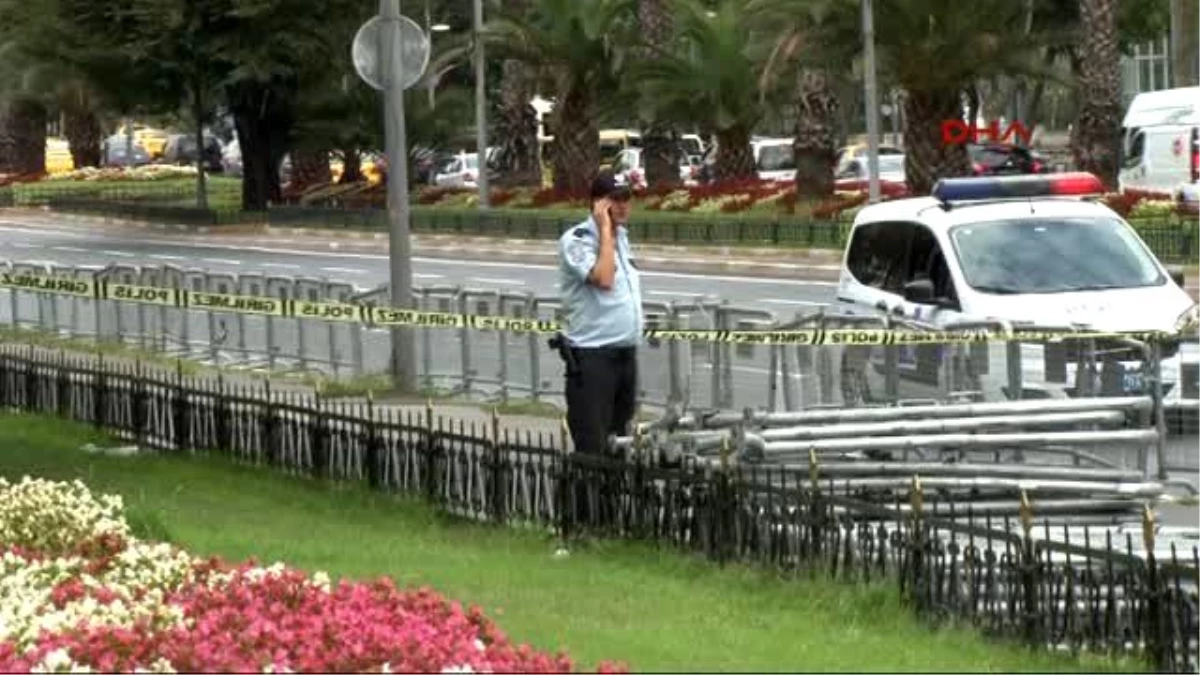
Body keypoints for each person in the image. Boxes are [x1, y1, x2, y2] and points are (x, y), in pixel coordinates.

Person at [556, 170, 644, 458]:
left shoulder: (623, 239)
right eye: (614, 200)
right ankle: (586, 504)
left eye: (626, 199)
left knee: (620, 444)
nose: (622, 206)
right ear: (597, 204)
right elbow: (604, 279)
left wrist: (612, 234)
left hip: (624, 355)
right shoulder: (578, 239)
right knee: (593, 447)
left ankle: (613, 503)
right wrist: (605, 230)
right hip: (593, 358)